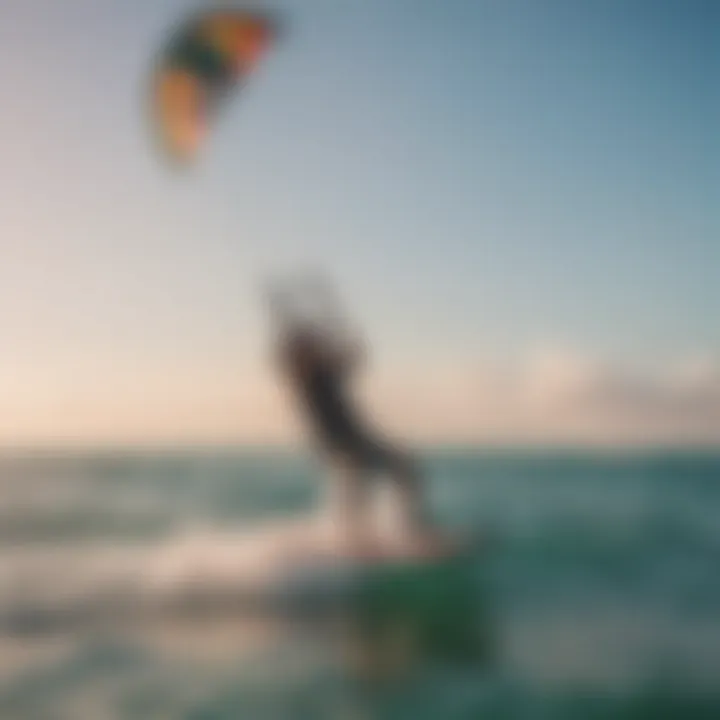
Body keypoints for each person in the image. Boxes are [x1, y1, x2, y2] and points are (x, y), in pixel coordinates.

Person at [265, 274, 432, 554]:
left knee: (394, 470)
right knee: (374, 474)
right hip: (335, 433)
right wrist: (327, 334)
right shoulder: (301, 368)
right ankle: (359, 540)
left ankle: (387, 533)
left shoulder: (322, 365)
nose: (317, 343)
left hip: (350, 430)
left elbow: (354, 357)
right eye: (311, 340)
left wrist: (340, 330)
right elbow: (309, 357)